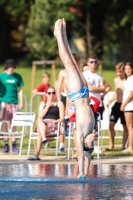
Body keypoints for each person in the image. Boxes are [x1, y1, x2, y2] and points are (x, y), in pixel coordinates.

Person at [54, 18, 97, 180]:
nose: (94, 142)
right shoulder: (92, 130)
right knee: (73, 61)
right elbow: (88, 156)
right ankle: (63, 33)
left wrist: (81, 174)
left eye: (91, 143)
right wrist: (87, 171)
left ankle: (59, 35)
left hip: (77, 94)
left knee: (68, 63)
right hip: (85, 92)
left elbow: (81, 155)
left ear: (86, 142)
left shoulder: (80, 133)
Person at [28, 86, 65, 160]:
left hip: (53, 125)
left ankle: (37, 155)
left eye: (53, 93)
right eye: (49, 93)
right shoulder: (43, 104)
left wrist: (55, 121)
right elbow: (40, 116)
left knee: (40, 132)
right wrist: (47, 106)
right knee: (39, 120)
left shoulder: (59, 103)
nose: (51, 95)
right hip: (43, 123)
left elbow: (62, 118)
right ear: (46, 94)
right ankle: (44, 138)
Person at [0, 59, 24, 153]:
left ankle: (14, 144)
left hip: (14, 101)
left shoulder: (17, 77)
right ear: (6, 67)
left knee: (14, 123)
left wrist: (21, 101)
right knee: (5, 122)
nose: (11, 69)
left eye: (12, 67)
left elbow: (20, 89)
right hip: (4, 101)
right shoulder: (2, 76)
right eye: (9, 67)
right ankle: (6, 144)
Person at [105, 62, 128, 151]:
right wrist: (110, 101)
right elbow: (116, 92)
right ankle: (111, 145)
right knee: (111, 125)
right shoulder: (116, 80)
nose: (119, 74)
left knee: (125, 127)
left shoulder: (128, 81)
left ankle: (123, 146)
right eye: (117, 72)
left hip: (125, 105)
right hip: (117, 104)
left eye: (121, 72)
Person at [83, 55, 111, 119]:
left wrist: (102, 93)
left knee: (98, 124)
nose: (94, 64)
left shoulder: (98, 76)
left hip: (99, 103)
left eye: (95, 62)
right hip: (89, 102)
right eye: (91, 62)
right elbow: (90, 88)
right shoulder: (85, 74)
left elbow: (104, 88)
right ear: (87, 63)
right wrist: (100, 89)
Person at [120, 62, 133, 153]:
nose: (127, 71)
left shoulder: (131, 79)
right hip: (128, 105)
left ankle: (130, 147)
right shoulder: (128, 79)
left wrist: (124, 104)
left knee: (129, 127)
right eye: (126, 69)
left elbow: (132, 93)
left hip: (130, 106)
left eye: (129, 68)